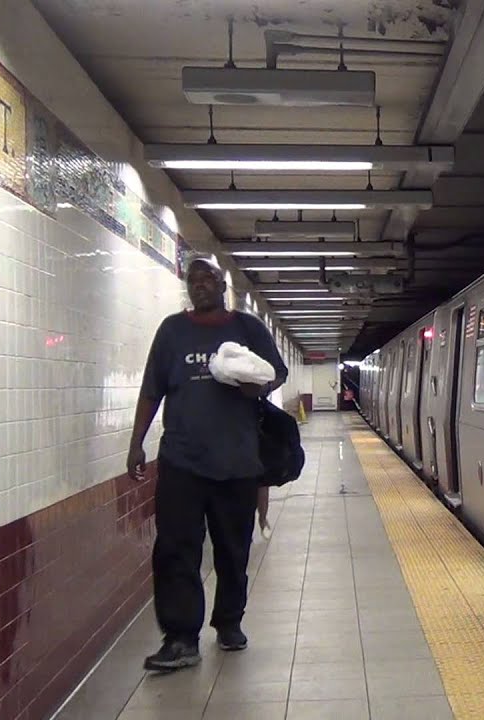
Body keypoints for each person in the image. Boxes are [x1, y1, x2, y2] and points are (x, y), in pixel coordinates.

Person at [127, 254, 288, 671]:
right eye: (192, 279)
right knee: (175, 548)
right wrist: (136, 442)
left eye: (207, 278)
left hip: (237, 461)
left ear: (221, 286)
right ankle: (181, 637)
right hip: (181, 460)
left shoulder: (247, 328)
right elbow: (151, 390)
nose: (199, 285)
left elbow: (277, 372)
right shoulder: (171, 332)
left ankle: (229, 622)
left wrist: (255, 385)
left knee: (232, 549)